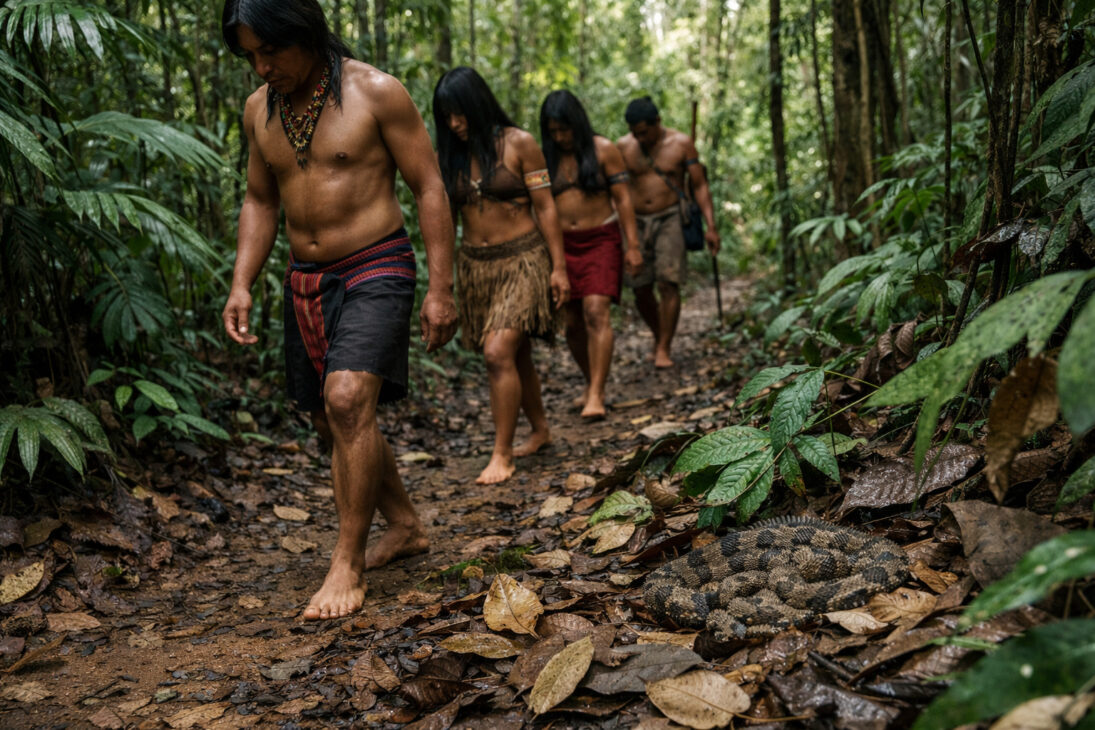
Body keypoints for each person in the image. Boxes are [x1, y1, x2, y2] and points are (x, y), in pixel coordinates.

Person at [220, 0, 457, 621]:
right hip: (305, 280)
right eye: (250, 55)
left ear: (304, 31)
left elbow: (429, 185)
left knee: (349, 400)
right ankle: (403, 523)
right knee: (332, 422)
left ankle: (345, 562)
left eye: (270, 51)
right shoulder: (258, 111)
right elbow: (260, 199)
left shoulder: (376, 93)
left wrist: (441, 287)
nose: (261, 67)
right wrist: (241, 281)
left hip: (377, 263)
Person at [432, 67, 569, 485]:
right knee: (514, 354)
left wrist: (559, 267)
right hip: (476, 267)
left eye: (460, 114)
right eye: (446, 117)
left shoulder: (520, 143)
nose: (455, 124)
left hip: (524, 261)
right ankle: (541, 429)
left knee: (497, 354)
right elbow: (443, 220)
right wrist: (444, 285)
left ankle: (502, 453)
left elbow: (545, 206)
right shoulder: (448, 156)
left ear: (478, 104)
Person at [539, 90, 643, 419]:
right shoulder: (544, 158)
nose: (560, 137)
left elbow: (623, 199)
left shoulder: (603, 150)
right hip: (561, 246)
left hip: (601, 238)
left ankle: (597, 393)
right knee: (571, 323)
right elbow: (537, 206)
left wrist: (633, 245)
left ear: (578, 124)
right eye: (553, 131)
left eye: (565, 130)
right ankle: (589, 381)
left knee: (596, 311)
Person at [616, 96, 720, 368]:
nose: (640, 138)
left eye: (644, 132)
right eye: (634, 133)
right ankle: (658, 333)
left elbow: (699, 185)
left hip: (671, 217)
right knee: (640, 287)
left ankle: (664, 346)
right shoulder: (623, 147)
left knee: (667, 282)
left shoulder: (681, 144)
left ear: (657, 123)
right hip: (636, 222)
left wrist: (711, 226)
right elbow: (617, 190)